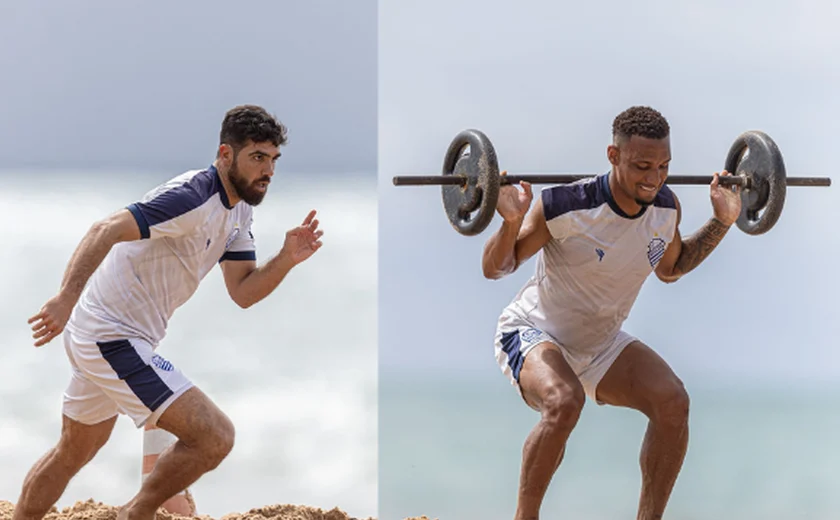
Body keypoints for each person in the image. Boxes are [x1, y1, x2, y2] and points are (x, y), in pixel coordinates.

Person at [15, 104, 324, 520]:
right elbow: (105, 229)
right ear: (225, 154)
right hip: (110, 336)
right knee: (214, 436)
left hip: (109, 336)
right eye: (257, 157)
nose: (267, 170)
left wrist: (286, 259)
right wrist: (65, 298)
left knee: (73, 451)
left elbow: (243, 291)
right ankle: (137, 512)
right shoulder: (191, 197)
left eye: (273, 159)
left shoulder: (240, 211)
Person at [484, 105, 742, 520]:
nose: (654, 177)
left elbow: (671, 268)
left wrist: (723, 221)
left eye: (663, 166)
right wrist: (511, 221)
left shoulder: (665, 209)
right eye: (642, 166)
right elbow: (496, 267)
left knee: (673, 403)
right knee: (564, 401)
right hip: (533, 331)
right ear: (613, 155)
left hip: (599, 344)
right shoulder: (564, 205)